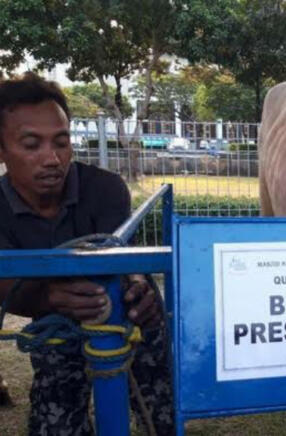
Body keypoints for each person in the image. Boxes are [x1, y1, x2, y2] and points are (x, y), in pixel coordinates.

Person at [0, 73, 173, 435]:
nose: (52, 159)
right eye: (32, 144)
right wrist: (48, 298)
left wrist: (138, 284)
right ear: (1, 150)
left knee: (164, 410)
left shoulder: (105, 189)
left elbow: (122, 254)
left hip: (128, 316)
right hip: (55, 325)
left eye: (61, 143)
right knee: (56, 425)